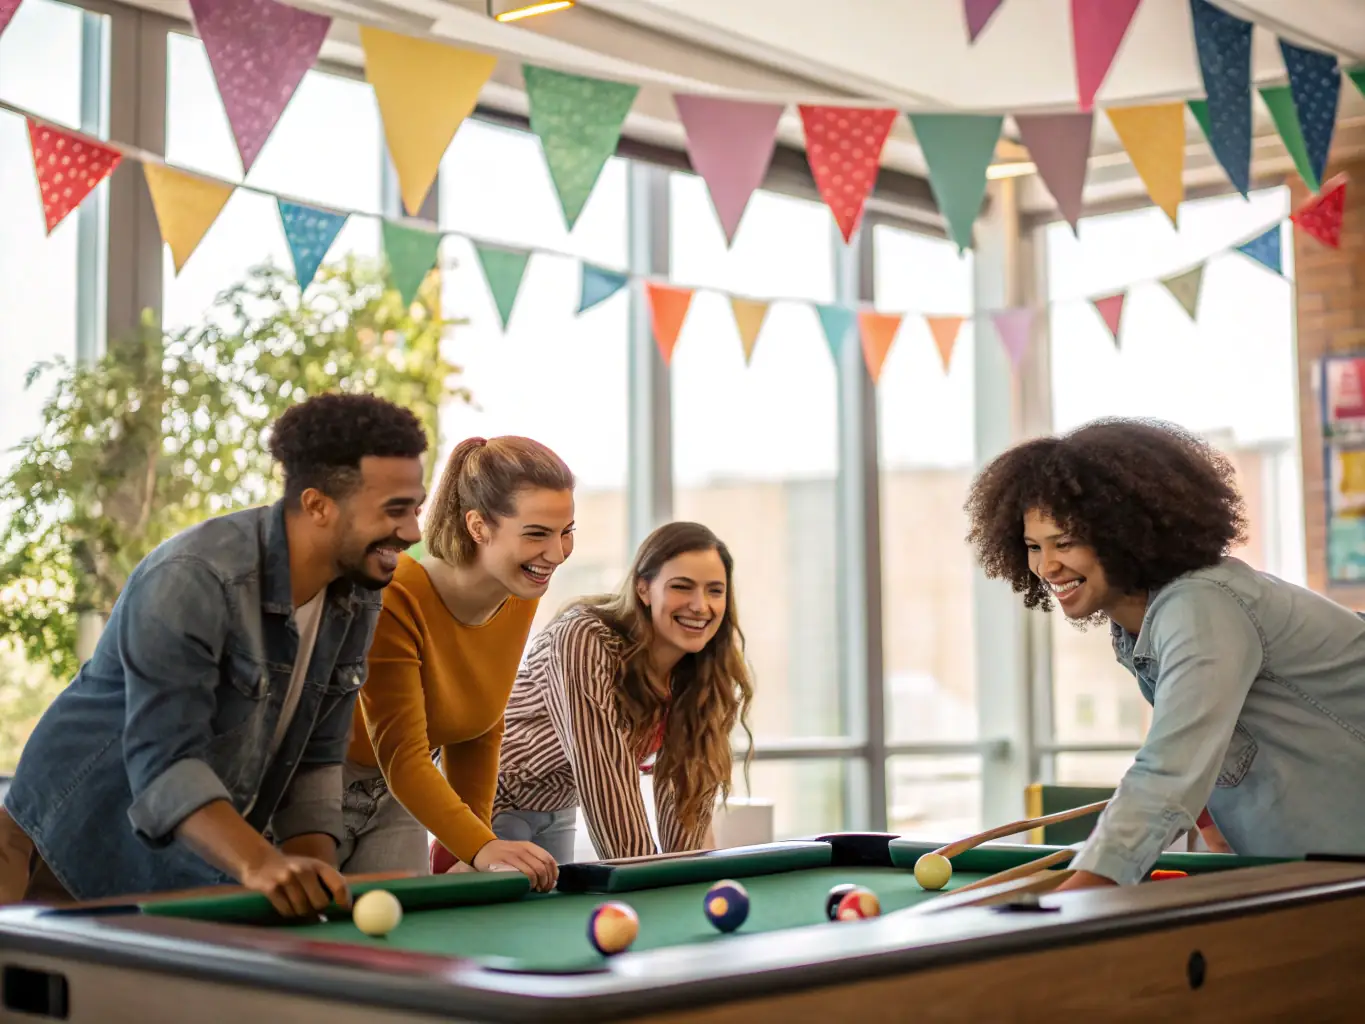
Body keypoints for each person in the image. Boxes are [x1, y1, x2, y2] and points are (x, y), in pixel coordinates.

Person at [0, 393, 429, 915]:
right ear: (318, 505)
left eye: (416, 508)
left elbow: (316, 756)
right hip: (68, 834)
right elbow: (165, 764)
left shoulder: (360, 588)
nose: (413, 532)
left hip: (186, 846)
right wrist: (262, 864)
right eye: (395, 511)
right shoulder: (194, 577)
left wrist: (315, 875)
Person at [964, 417, 1365, 889]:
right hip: (1322, 874)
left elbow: (1167, 775)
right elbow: (1211, 751)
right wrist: (1216, 835)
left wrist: (1068, 904)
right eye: (1034, 546)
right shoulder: (1139, 624)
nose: (1047, 566)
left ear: (1123, 534)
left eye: (1065, 542)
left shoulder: (1201, 606)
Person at [343, 436, 574, 892]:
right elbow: (400, 753)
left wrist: (468, 850)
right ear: (478, 526)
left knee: (400, 945)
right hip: (315, 784)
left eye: (567, 530)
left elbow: (480, 725)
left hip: (397, 797)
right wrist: (482, 846)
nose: (557, 553)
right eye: (537, 534)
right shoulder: (393, 595)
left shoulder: (519, 590)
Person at [484, 521, 755, 865]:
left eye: (715, 590)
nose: (700, 606)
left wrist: (689, 881)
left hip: (556, 806)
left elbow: (686, 799)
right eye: (682, 587)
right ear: (644, 589)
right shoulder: (583, 637)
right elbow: (604, 775)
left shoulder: (696, 674)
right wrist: (649, 881)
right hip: (489, 801)